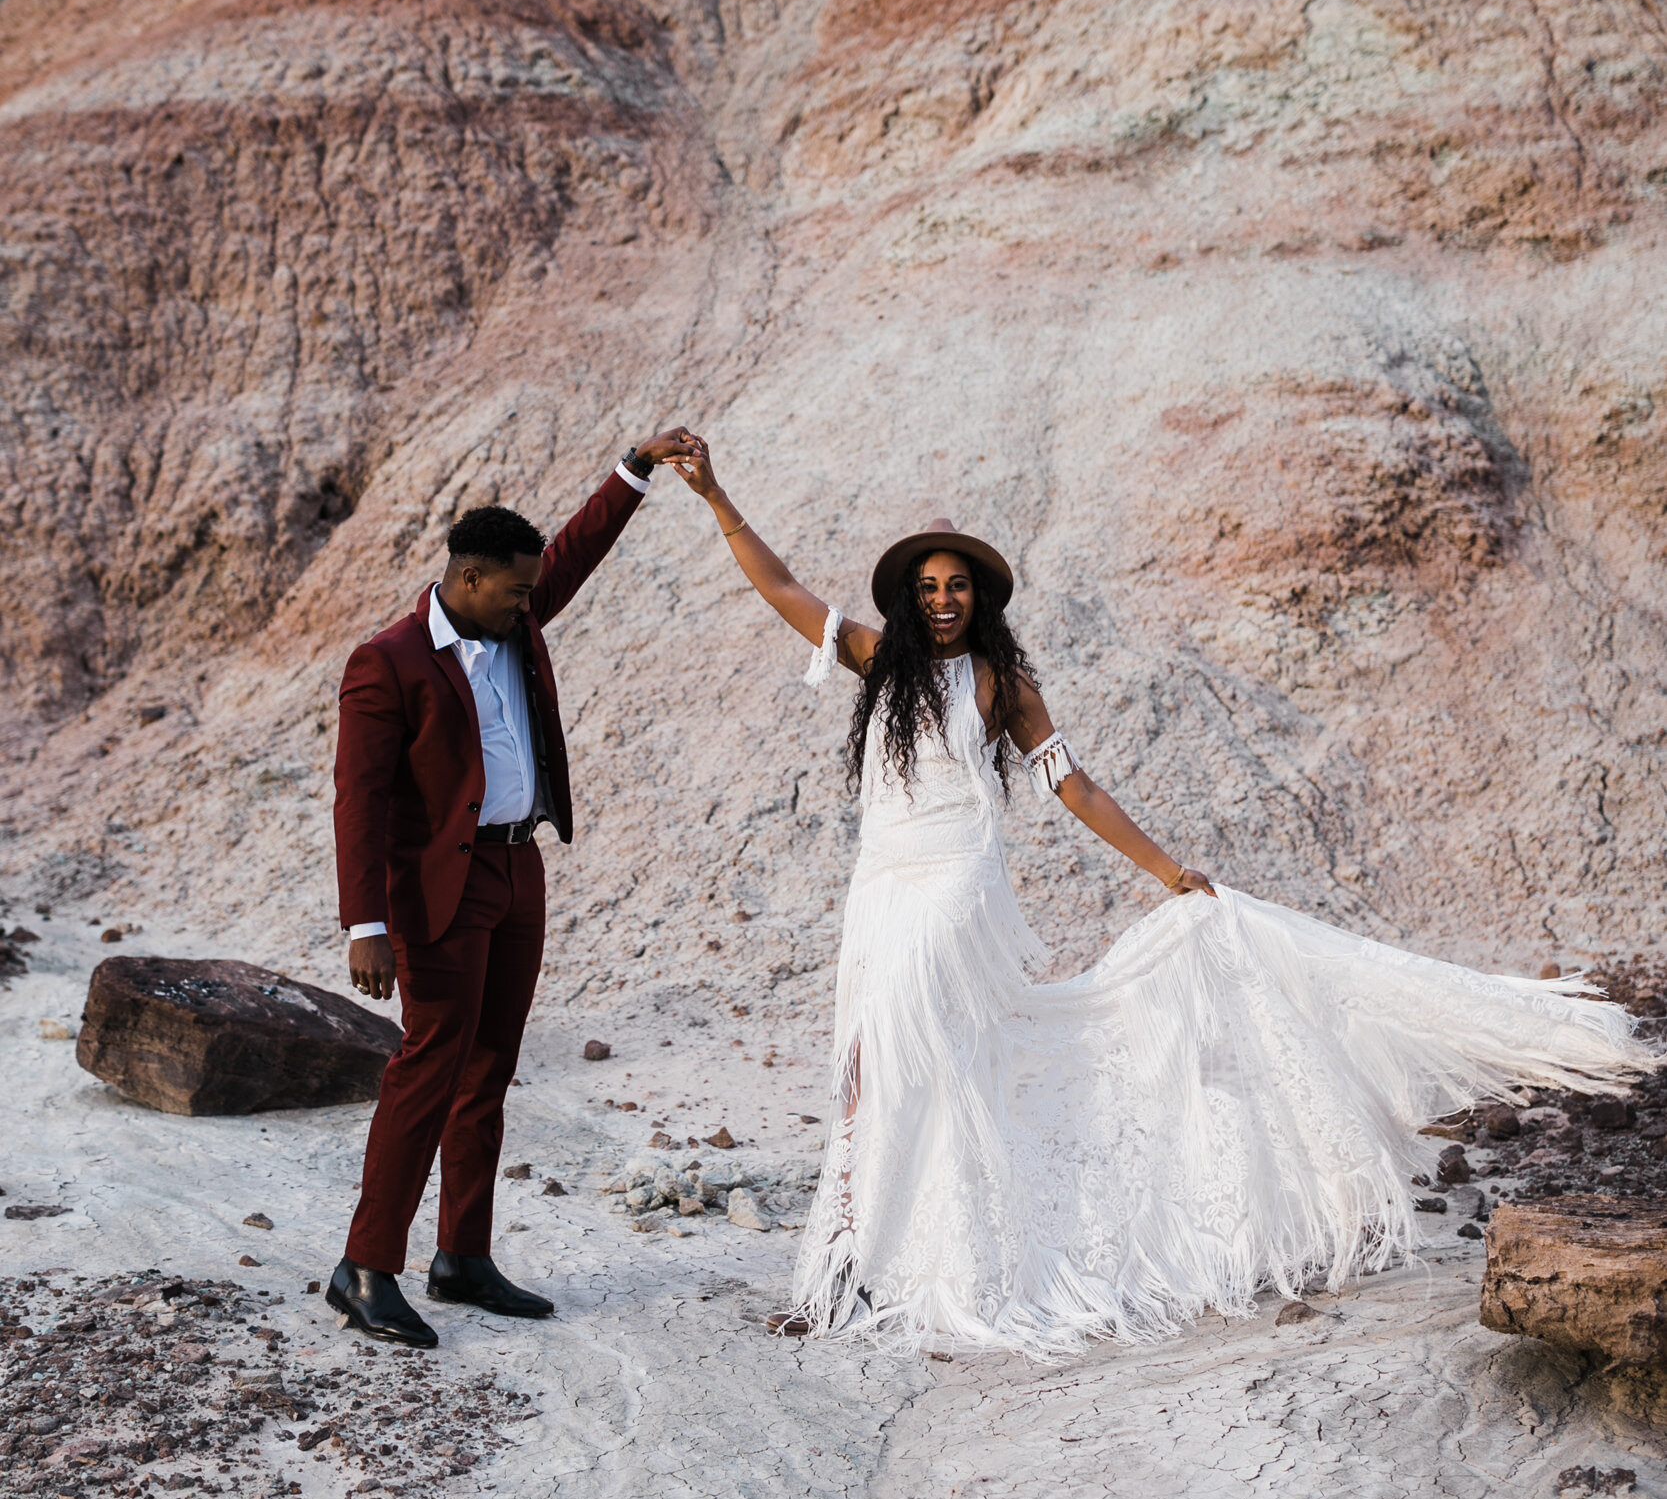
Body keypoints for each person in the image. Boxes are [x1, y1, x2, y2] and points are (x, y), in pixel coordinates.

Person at [671, 445, 1652, 1356]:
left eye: (955, 585)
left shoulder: (998, 681)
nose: (940, 600)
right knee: (866, 1060)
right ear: (905, 594)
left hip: (951, 888)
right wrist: (715, 497)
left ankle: (898, 1265)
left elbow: (1072, 785)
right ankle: (855, 1265)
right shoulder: (877, 660)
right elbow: (779, 587)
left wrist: (1169, 870)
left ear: (979, 596)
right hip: (876, 887)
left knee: (914, 1047)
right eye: (925, 587)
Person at [329, 430, 701, 1347]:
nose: (533, 602)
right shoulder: (389, 661)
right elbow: (358, 800)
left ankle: (462, 1257)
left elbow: (568, 556)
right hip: (435, 891)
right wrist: (363, 924)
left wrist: (635, 469)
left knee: (489, 1069)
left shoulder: (514, 618)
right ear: (468, 579)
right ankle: (365, 1268)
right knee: (428, 1067)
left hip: (516, 869)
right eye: (517, 590)